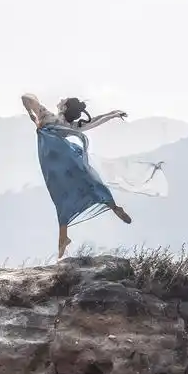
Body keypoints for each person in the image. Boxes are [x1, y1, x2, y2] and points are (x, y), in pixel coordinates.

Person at [21, 93, 133, 259]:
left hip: (53, 166)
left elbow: (26, 98)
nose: (60, 101)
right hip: (67, 162)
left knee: (60, 199)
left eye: (63, 101)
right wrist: (114, 114)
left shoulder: (46, 115)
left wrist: (32, 115)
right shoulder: (71, 126)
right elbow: (97, 120)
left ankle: (63, 237)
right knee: (91, 184)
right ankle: (114, 207)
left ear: (64, 107)